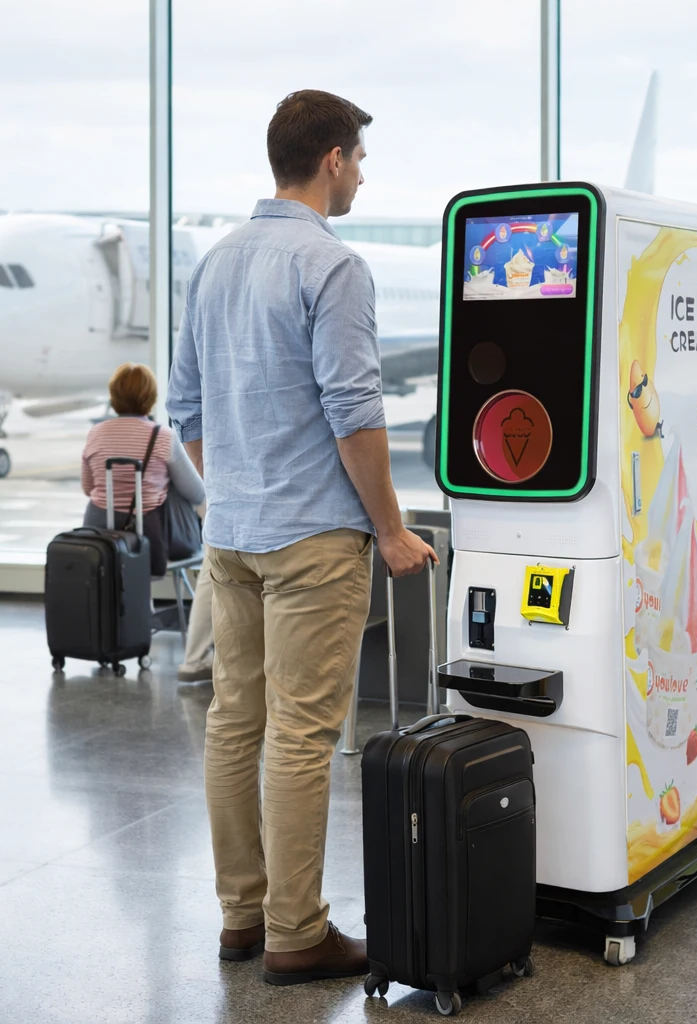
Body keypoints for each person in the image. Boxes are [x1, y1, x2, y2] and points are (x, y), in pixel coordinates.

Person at [167, 89, 437, 985]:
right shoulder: (333, 265)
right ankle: (296, 932)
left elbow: (188, 410)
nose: (361, 173)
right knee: (301, 737)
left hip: (232, 536)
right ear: (330, 160)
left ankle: (241, 918)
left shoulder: (215, 263)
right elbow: (356, 414)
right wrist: (392, 530)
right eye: (358, 158)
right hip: (313, 540)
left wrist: (236, 484)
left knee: (233, 726)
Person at [81, 362, 205, 578]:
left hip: (99, 539)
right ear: (151, 397)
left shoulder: (95, 434)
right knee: (174, 485)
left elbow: (87, 487)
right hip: (149, 542)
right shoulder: (163, 436)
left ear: (114, 396)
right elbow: (196, 493)